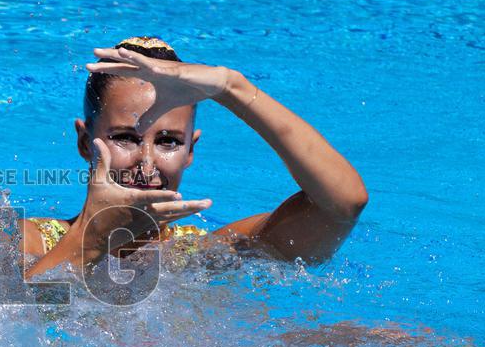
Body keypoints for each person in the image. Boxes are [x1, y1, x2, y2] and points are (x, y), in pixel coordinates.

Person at [22, 37, 368, 278]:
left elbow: (342, 203)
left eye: (168, 142)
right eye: (125, 138)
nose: (146, 164)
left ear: (191, 150)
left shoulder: (206, 257)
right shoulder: (29, 241)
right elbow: (13, 323)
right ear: (85, 142)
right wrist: (91, 236)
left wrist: (232, 87)